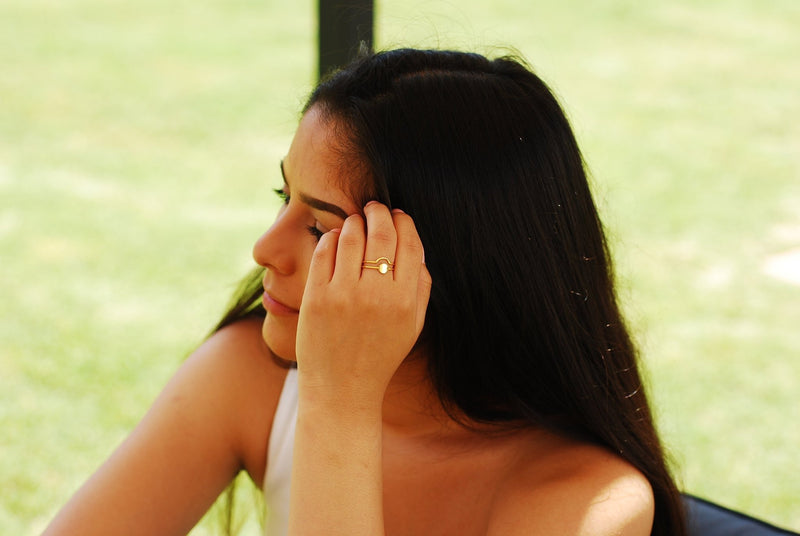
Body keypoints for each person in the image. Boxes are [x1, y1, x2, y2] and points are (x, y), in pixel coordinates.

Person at [43, 48, 686, 535]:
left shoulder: (591, 499)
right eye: (281, 197)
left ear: (453, 263)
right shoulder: (250, 378)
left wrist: (342, 402)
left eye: (322, 226)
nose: (265, 248)